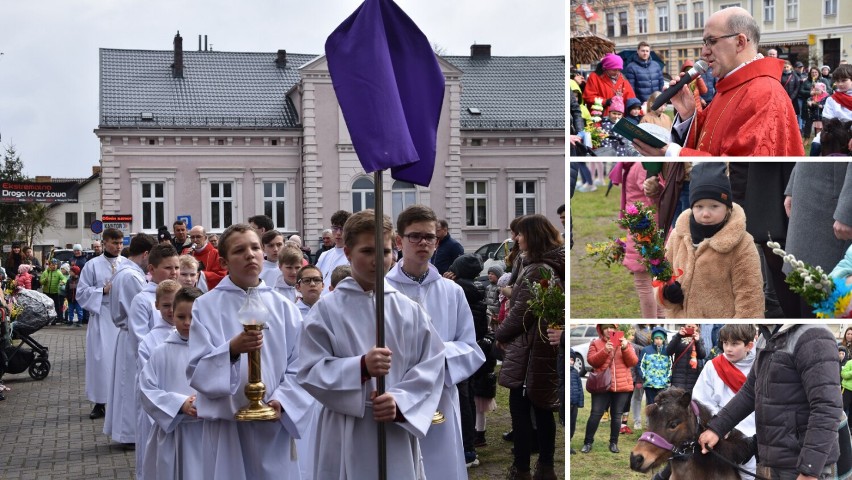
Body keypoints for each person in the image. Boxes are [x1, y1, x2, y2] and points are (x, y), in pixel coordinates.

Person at [297, 209, 445, 479]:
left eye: (385, 251)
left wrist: (401, 402)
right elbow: (309, 370)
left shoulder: (409, 310)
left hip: (393, 426)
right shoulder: (327, 310)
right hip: (345, 428)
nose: (378, 259)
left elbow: (431, 366)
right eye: (367, 251)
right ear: (348, 252)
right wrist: (360, 367)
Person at [186, 223, 312, 480]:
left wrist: (283, 401)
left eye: (255, 247)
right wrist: (231, 350)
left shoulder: (283, 306)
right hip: (228, 429)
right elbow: (197, 369)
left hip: (273, 424)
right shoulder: (205, 306)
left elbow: (301, 363)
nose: (250, 254)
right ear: (223, 260)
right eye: (240, 250)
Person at [387, 205, 485, 477]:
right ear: (399, 241)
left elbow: (470, 348)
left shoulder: (452, 292)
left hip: (440, 396)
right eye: (415, 236)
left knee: (441, 468)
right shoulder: (383, 291)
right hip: (398, 397)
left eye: (429, 237)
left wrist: (434, 358)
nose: (423, 243)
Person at [633, 7, 804, 157]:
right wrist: (688, 115)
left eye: (712, 42)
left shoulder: (764, 92)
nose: (704, 52)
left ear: (740, 42)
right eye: (704, 43)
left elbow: (740, 168)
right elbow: (711, 141)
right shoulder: (730, 85)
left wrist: (672, 152)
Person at [699, 324, 843, 480]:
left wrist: (809, 469)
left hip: (803, 465)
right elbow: (750, 391)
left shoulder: (813, 336)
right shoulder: (765, 337)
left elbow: (827, 408)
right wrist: (717, 428)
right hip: (777, 460)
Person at [496, 214, 563, 479]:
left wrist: (500, 334)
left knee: (522, 412)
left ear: (533, 236)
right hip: (542, 347)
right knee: (543, 408)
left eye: (520, 234)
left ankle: (522, 468)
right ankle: (545, 467)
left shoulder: (539, 268)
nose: (516, 238)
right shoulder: (549, 262)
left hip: (531, 350)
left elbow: (523, 312)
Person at [657, 162, 764, 318]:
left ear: (727, 207)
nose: (705, 213)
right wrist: (665, 292)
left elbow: (749, 296)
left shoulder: (742, 243)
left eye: (714, 206)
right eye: (699, 206)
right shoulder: (679, 235)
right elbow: (661, 274)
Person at [139, 285, 204, 480]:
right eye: (181, 317)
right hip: (173, 431)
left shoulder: (213, 350)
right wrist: (180, 404)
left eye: (193, 317)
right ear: (172, 315)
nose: (187, 323)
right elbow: (147, 390)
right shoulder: (161, 352)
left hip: (207, 429)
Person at [127, 244, 179, 472]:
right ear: (152, 269)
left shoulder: (182, 296)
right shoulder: (142, 299)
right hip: (155, 381)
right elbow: (140, 338)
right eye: (168, 268)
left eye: (177, 267)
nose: (174, 272)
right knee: (152, 445)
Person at [105, 233, 156, 446]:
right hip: (132, 335)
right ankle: (129, 434)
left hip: (127, 335)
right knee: (129, 387)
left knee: (126, 384)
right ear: (145, 254)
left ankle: (127, 432)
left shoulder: (125, 271)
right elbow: (142, 309)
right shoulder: (132, 276)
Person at [783, 162, 852, 316]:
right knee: (805, 286)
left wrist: (848, 207)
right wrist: (793, 182)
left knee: (826, 295)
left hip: (834, 193)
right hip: (811, 186)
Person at [692, 324, 757, 480]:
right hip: (721, 430)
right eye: (725, 343)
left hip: (755, 432)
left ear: (749, 345)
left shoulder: (761, 364)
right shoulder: (712, 366)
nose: (728, 349)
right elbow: (702, 401)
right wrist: (720, 425)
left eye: (735, 344)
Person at [136, 279, 182, 480]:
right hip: (165, 416)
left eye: (175, 305)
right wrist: (175, 406)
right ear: (156, 306)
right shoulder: (150, 341)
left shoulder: (196, 334)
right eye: (165, 305)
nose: (171, 310)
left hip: (195, 418)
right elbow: (147, 384)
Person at [78, 228, 124, 420]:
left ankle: (121, 401)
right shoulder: (92, 265)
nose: (118, 247)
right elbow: (81, 292)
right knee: (101, 361)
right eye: (114, 243)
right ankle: (100, 402)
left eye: (121, 243)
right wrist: (101, 291)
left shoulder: (127, 264)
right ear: (104, 243)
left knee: (121, 361)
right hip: (102, 316)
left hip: (122, 319)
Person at [613, 162, 663, 319]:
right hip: (644, 224)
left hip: (644, 227)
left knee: (644, 282)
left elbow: (653, 198)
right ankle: (661, 319)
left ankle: (652, 321)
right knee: (658, 280)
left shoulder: (640, 166)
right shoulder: (639, 165)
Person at [580, 324, 638, 457]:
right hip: (602, 385)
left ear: (616, 330)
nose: (609, 330)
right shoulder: (595, 343)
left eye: (612, 327)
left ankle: (613, 443)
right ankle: (588, 442)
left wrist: (624, 348)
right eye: (606, 327)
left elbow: (633, 362)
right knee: (596, 413)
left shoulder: (626, 343)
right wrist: (605, 350)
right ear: (601, 329)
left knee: (617, 415)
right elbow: (592, 361)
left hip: (621, 385)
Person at [583, 53, 637, 117]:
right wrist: (605, 102)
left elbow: (630, 97)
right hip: (600, 116)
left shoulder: (622, 78)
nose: (617, 72)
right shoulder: (594, 77)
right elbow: (588, 97)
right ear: (606, 68)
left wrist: (634, 106)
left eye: (619, 70)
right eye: (614, 70)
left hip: (618, 117)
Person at [315, 210, 351, 295]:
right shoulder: (324, 255)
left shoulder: (353, 256)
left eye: (342, 229)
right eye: (335, 228)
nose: (338, 233)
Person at [639, 327, 671, 406]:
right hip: (650, 384)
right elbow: (640, 364)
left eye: (660, 338)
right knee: (651, 405)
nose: (658, 340)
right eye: (656, 338)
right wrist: (644, 376)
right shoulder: (646, 350)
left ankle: (661, 418)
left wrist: (668, 378)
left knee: (662, 405)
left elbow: (670, 366)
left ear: (664, 339)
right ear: (653, 339)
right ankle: (650, 418)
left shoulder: (667, 351)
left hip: (663, 384)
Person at [569, 348, 583, 455]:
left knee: (572, 424)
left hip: (574, 404)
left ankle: (569, 442)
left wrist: (580, 402)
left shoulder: (575, 373)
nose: (571, 361)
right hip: (567, 404)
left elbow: (580, 388)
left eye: (572, 360)